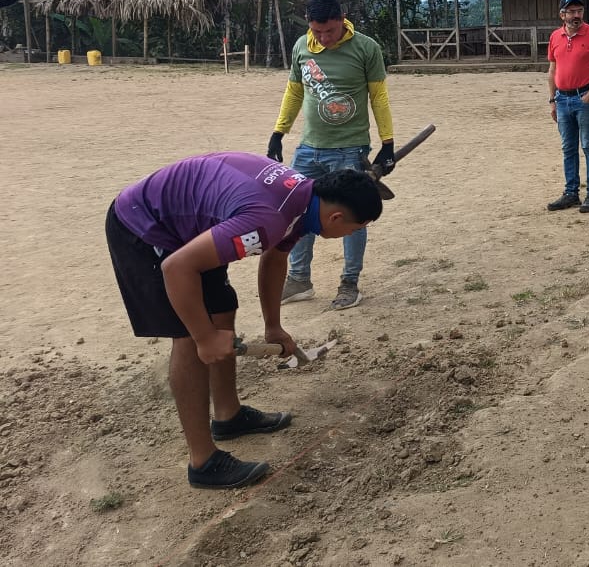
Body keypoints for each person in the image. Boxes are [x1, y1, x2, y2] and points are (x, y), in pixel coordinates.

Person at [106, 153, 383, 488]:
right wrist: (205, 338)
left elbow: (275, 257)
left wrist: (273, 327)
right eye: (354, 229)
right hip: (145, 226)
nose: (350, 234)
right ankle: (203, 462)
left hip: (192, 225)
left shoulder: (303, 203)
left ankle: (228, 416)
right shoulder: (268, 219)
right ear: (336, 217)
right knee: (189, 335)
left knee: (222, 308)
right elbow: (176, 268)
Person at [268, 0, 395, 311]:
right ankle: (299, 279)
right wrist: (278, 133)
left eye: (330, 31)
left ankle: (349, 283)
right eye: (317, 31)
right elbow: (294, 92)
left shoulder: (366, 48)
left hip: (350, 149)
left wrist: (387, 143)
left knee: (353, 215)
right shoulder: (302, 46)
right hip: (308, 148)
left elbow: (378, 97)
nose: (324, 38)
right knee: (296, 212)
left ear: (342, 20)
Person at [546, 0, 589, 213]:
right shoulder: (555, 37)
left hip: (585, 97)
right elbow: (552, 70)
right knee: (568, 148)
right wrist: (552, 100)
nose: (576, 15)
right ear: (562, 15)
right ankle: (571, 193)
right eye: (572, 11)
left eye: (579, 11)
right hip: (562, 99)